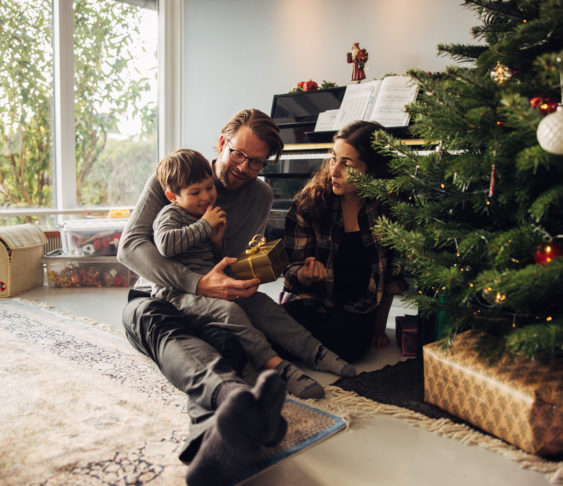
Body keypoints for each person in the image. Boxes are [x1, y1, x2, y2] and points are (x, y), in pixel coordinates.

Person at [117, 109, 352, 486]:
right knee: (166, 331)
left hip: (217, 302)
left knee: (229, 340)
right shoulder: (178, 174)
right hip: (155, 296)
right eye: (238, 154)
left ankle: (219, 434)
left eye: (256, 161)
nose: (244, 167)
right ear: (222, 142)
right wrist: (198, 284)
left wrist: (248, 277)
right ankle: (232, 399)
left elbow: (233, 260)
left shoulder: (260, 195)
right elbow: (129, 249)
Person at [151, 148, 355, 400]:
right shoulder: (170, 215)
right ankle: (279, 369)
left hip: (213, 284)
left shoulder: (204, 215)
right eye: (195, 192)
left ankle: (316, 352)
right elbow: (166, 244)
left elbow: (213, 261)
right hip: (177, 294)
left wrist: (216, 243)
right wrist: (205, 227)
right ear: (173, 196)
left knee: (261, 303)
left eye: (208, 188)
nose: (206, 196)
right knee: (231, 312)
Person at [282, 120, 408, 363]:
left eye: (346, 163)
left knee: (347, 346)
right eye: (333, 158)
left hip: (358, 306)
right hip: (312, 298)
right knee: (286, 326)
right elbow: (290, 271)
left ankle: (305, 346)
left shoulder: (388, 208)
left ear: (371, 170)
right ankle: (306, 345)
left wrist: (379, 328)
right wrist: (304, 275)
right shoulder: (309, 202)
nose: (334, 171)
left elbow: (391, 278)